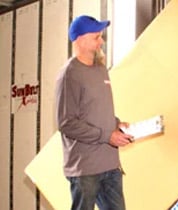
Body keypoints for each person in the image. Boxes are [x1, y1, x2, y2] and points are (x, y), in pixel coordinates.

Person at [55, 15, 133, 210]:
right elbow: (67, 123)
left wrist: (116, 124)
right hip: (85, 169)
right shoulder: (69, 74)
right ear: (80, 40)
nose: (102, 41)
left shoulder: (100, 70)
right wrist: (107, 136)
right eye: (96, 37)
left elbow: (95, 110)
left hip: (110, 165)